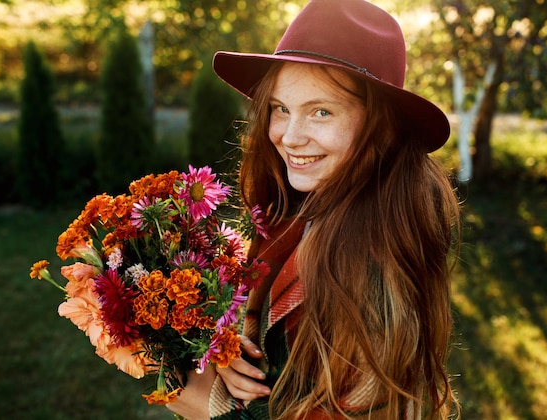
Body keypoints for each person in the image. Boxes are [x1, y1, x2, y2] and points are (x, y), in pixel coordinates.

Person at [167, 0, 461, 418]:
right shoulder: (306, 210)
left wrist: (183, 386)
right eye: (281, 109)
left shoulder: (366, 266)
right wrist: (231, 347)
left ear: (381, 126)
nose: (289, 136)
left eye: (321, 112)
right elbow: (275, 353)